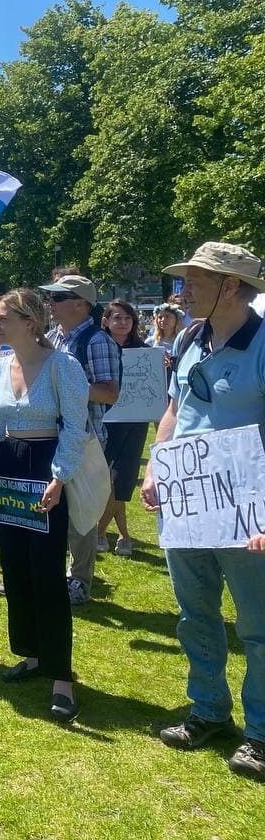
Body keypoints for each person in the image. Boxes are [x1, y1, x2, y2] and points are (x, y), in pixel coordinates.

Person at [140, 242, 265, 781]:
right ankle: (209, 711)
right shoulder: (190, 337)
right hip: (189, 505)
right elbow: (175, 408)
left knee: (258, 627)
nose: (182, 291)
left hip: (247, 512)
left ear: (231, 286)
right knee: (195, 616)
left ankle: (261, 734)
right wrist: (155, 464)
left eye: (194, 281)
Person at [0, 289, 90, 722]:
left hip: (45, 468)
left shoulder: (63, 365)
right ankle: (31, 653)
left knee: (47, 572)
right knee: (15, 568)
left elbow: (75, 427)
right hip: (7, 467)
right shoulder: (1, 365)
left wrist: (59, 478)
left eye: (2, 318)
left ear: (30, 322)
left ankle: (61, 675)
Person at [38, 274, 120, 605]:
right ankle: (46, 573)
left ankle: (79, 581)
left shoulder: (97, 341)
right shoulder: (52, 337)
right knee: (49, 506)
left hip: (86, 440)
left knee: (81, 513)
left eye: (58, 298)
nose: (51, 303)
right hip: (49, 434)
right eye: (51, 297)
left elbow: (109, 392)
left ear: (81, 304)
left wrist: (68, 387)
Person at [97, 299, 147, 557]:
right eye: (117, 317)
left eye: (127, 318)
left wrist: (162, 365)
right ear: (106, 321)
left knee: (123, 478)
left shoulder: (144, 351)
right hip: (104, 419)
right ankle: (119, 535)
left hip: (135, 421)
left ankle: (103, 533)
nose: (123, 322)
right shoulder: (99, 348)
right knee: (105, 479)